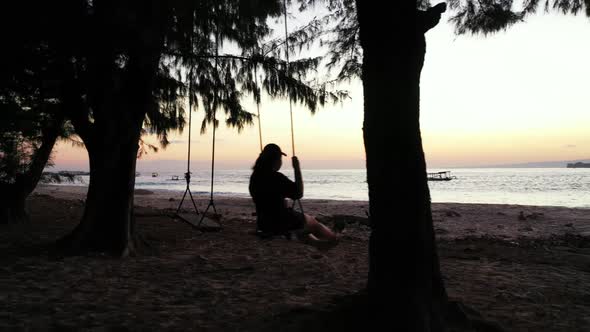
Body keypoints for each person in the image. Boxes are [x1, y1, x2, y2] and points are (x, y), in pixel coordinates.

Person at [249, 143, 340, 249]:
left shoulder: (254, 178)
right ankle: (333, 238)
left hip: (263, 223)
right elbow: (298, 194)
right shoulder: (277, 178)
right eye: (280, 159)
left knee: (302, 224)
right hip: (282, 221)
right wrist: (297, 168)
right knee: (313, 222)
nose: (281, 162)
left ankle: (316, 242)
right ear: (275, 160)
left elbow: (266, 198)